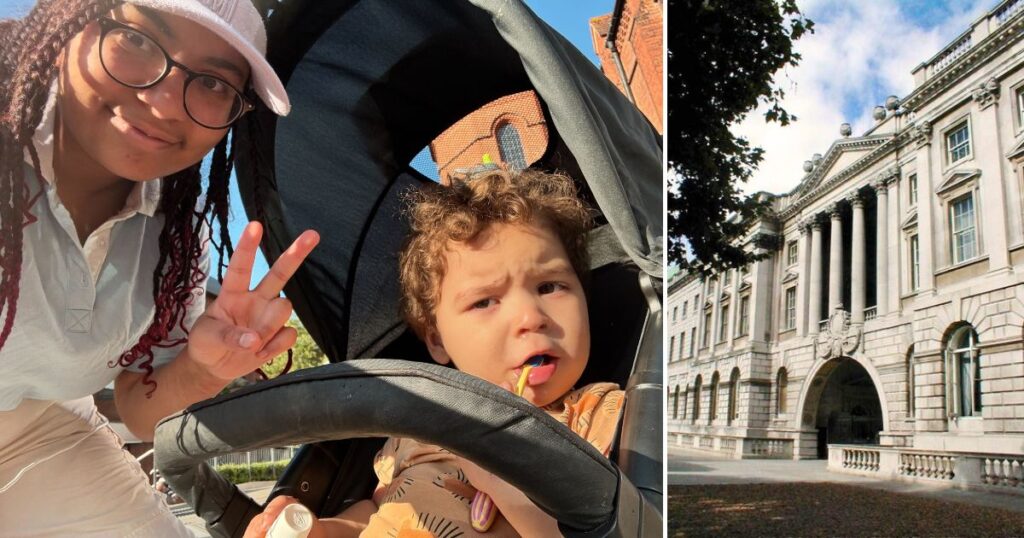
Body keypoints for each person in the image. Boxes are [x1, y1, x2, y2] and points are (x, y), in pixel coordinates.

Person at [0, 0, 320, 535]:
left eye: (215, 83)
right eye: (139, 40)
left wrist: (203, 371)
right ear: (71, 22)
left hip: (43, 426)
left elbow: (135, 405)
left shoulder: (177, 243)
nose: (167, 102)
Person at [244, 169, 625, 537]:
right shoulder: (418, 428)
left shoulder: (596, 414)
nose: (530, 317)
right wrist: (321, 530)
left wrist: (501, 477)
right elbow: (377, 510)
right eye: (485, 301)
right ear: (438, 341)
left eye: (549, 287)